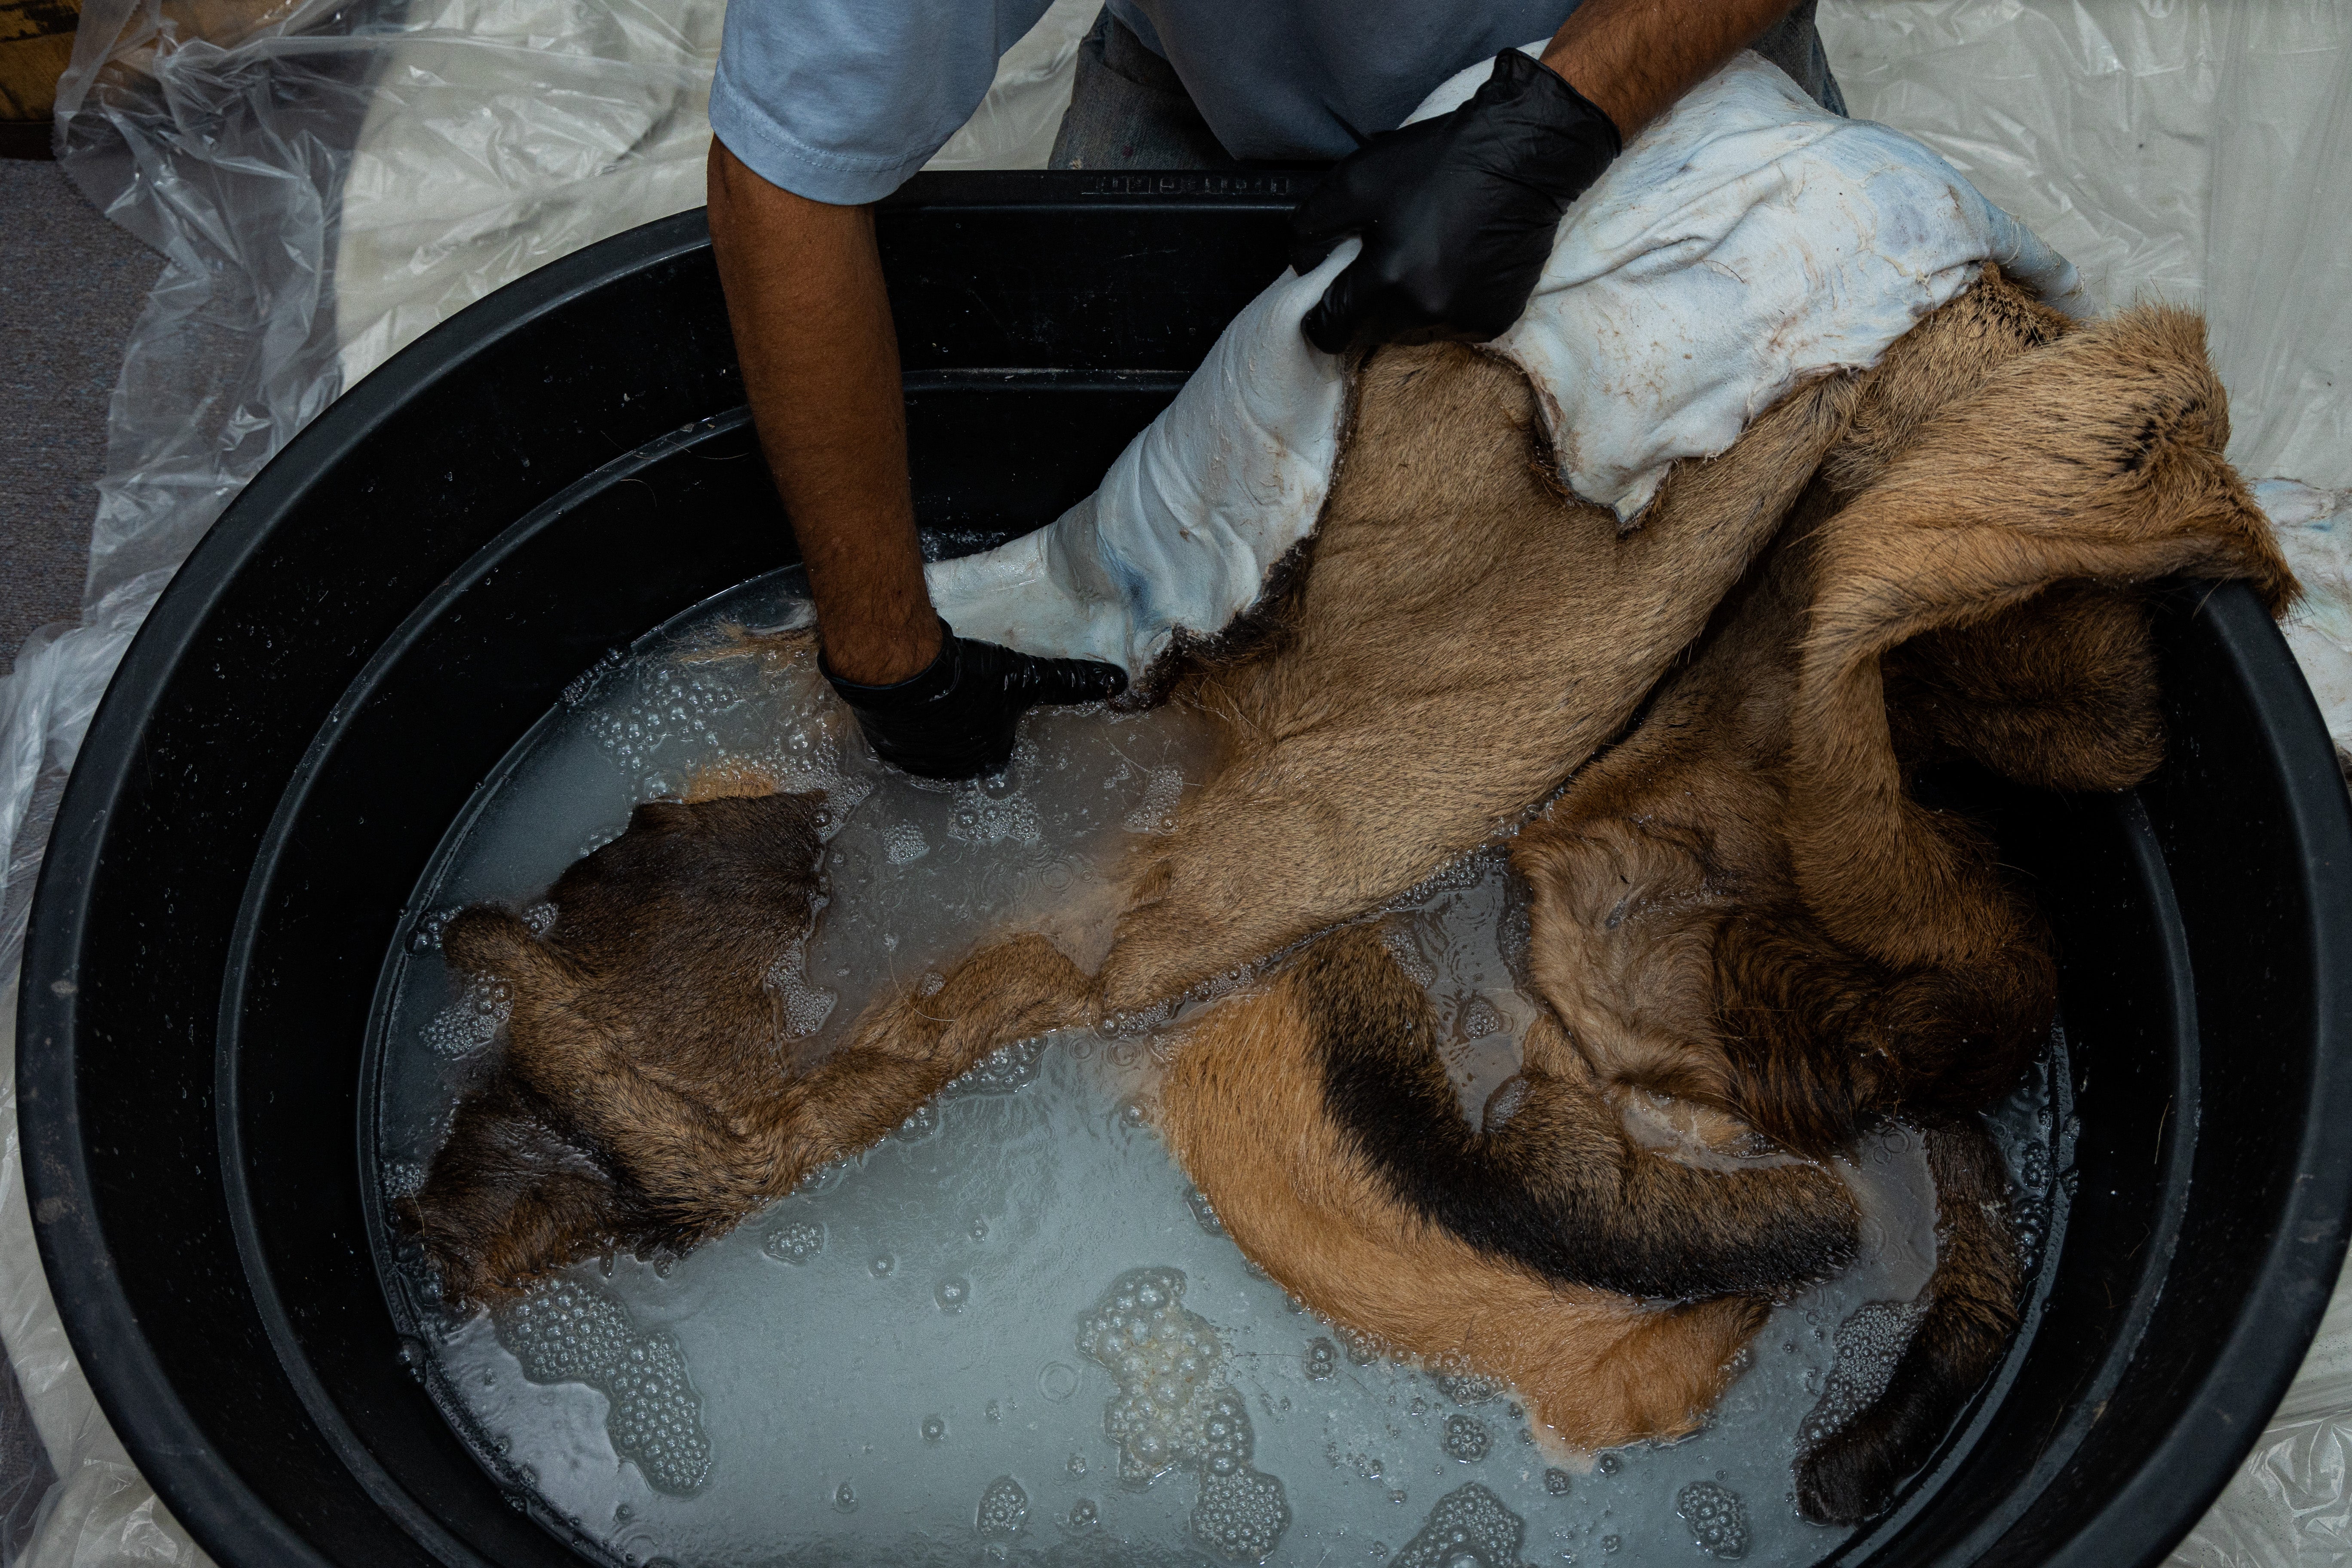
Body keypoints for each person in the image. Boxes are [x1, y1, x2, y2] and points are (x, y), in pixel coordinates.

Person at [705, 0, 1842, 781]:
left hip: (1664, 62)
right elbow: (789, 171)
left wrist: (1561, 119)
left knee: (1752, 654)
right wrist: (891, 661)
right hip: (1223, 89)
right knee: (1139, 628)